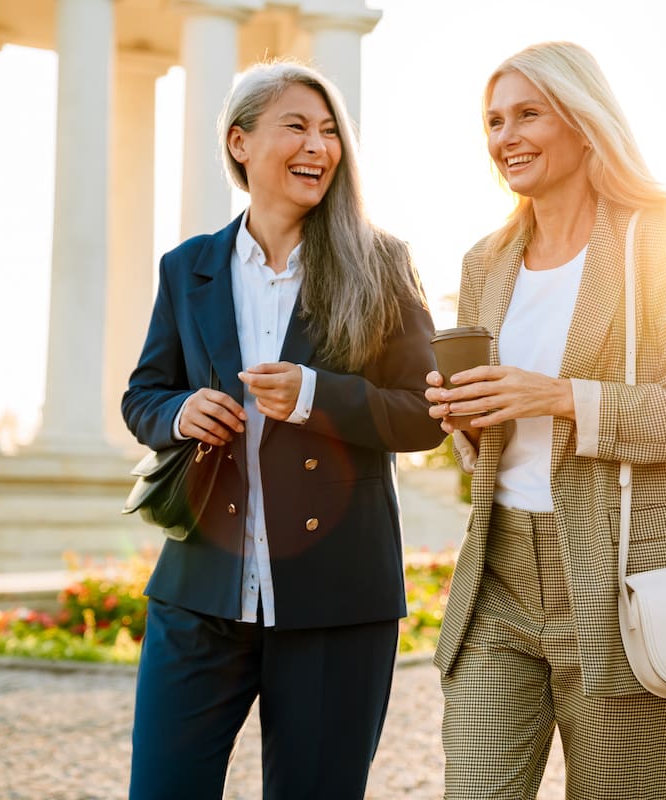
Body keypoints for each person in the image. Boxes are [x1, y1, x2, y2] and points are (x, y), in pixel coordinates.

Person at [424, 42, 666, 798]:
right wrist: (463, 420)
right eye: (494, 120)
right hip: (500, 573)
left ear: (582, 118)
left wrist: (562, 395)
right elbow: (496, 436)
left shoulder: (663, 238)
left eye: (527, 114)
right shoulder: (486, 261)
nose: (506, 136)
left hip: (625, 577)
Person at [122, 61, 443, 799]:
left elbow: (424, 414)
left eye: (330, 130)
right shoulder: (187, 268)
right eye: (297, 125)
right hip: (200, 590)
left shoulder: (381, 264)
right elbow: (144, 395)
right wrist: (177, 415)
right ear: (239, 142)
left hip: (338, 601)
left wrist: (313, 396)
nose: (320, 146)